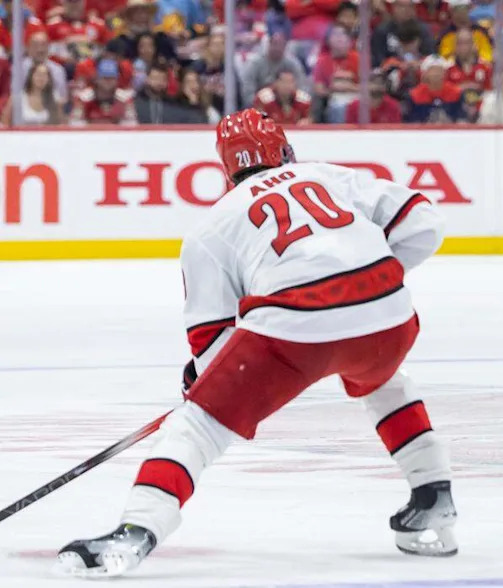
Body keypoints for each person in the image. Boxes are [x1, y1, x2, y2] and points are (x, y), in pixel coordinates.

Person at [56, 108, 458, 577]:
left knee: (198, 426)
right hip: (389, 317)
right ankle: (434, 497)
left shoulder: (211, 227)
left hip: (295, 330)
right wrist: (367, 280)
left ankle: (135, 531)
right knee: (384, 379)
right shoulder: (327, 176)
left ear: (227, 167)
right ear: (285, 150)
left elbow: (211, 342)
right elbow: (424, 224)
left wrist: (203, 388)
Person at [1, 61, 64, 126]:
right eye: (38, 74)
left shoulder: (54, 97)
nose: (41, 78)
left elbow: (59, 123)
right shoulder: (18, 97)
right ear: (31, 76)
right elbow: (5, 121)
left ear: (48, 79)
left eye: (45, 75)